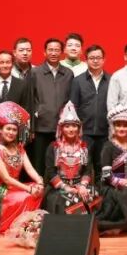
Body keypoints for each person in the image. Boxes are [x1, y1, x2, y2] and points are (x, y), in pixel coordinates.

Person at [0, 102, 43, 234]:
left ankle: (28, 226)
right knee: (27, 196)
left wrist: (39, 182)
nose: (11, 132)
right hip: (1, 190)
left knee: (39, 191)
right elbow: (6, 179)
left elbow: (29, 169)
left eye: (14, 130)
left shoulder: (19, 149)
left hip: (15, 186)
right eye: (8, 129)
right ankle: (16, 226)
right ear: (0, 130)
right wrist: (29, 189)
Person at [42, 102, 100, 214]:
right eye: (67, 126)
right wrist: (66, 187)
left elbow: (87, 170)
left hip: (79, 185)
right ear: (61, 129)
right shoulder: (53, 147)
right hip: (59, 188)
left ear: (79, 128)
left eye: (74, 126)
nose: (71, 129)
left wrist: (82, 186)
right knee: (68, 199)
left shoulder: (84, 147)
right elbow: (50, 172)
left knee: (93, 195)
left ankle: (88, 224)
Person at [30, 38, 75, 176]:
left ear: (62, 52)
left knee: (59, 162)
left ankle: (57, 187)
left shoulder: (68, 73)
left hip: (62, 127)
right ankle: (40, 187)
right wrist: (37, 113)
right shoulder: (35, 73)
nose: (54, 53)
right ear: (44, 52)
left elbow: (70, 100)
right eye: (50, 50)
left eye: (57, 50)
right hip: (41, 126)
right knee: (39, 162)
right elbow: (30, 99)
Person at [69, 45, 111, 169]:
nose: (95, 61)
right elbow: (73, 107)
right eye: (92, 58)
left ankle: (101, 183)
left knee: (102, 167)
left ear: (104, 60)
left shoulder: (111, 80)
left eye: (98, 58)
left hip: (105, 133)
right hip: (84, 133)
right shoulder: (78, 81)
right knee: (83, 166)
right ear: (86, 60)